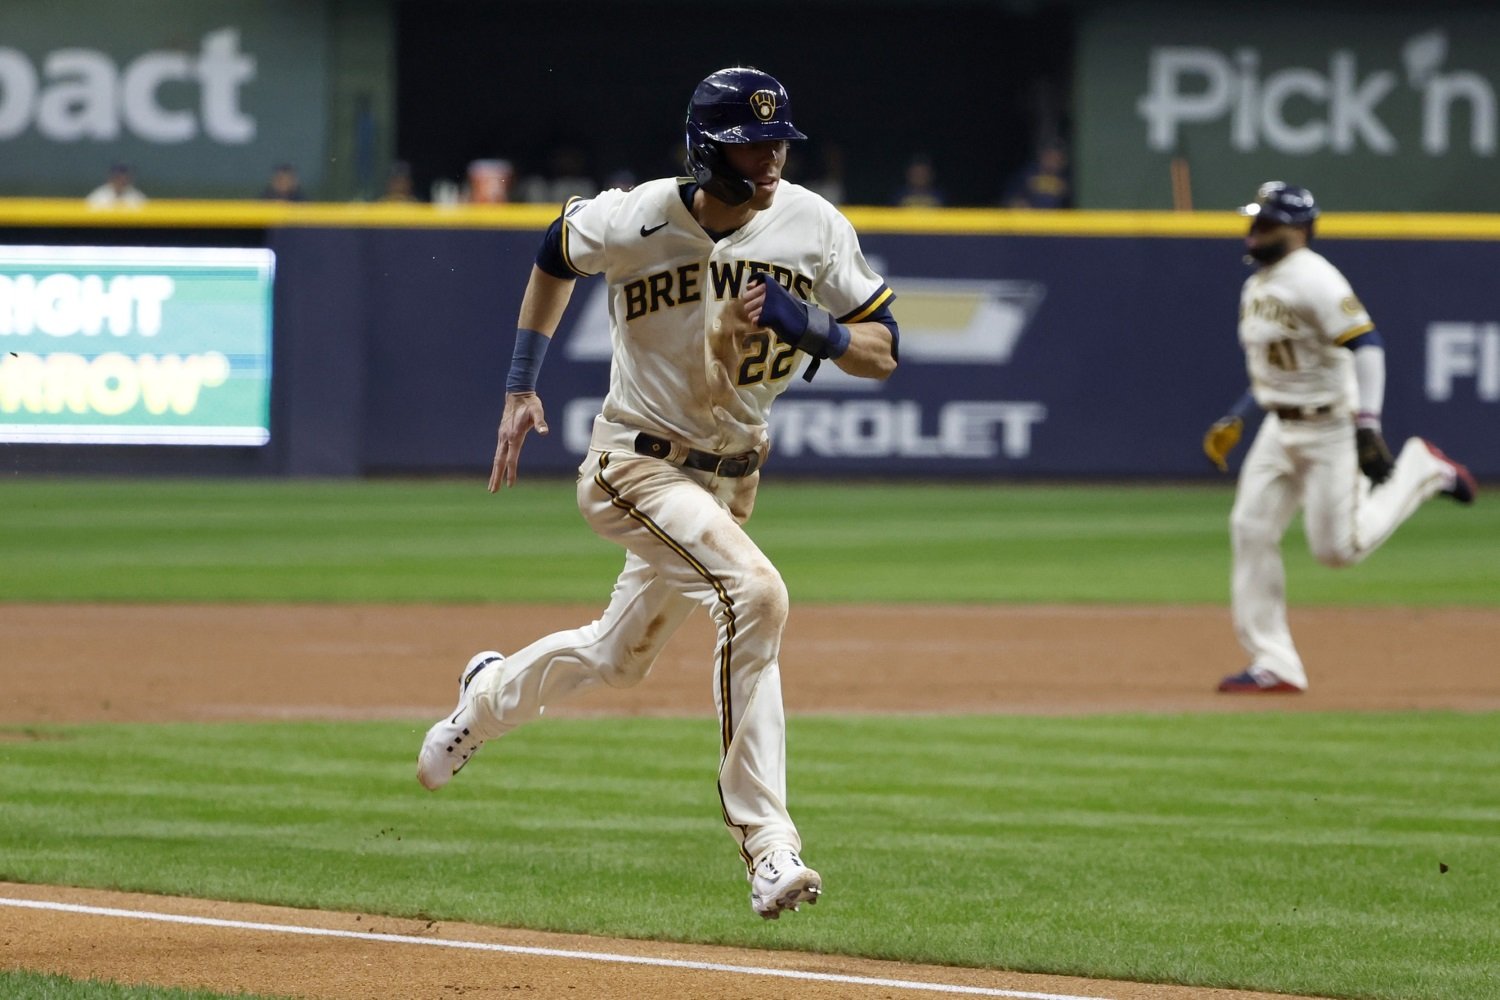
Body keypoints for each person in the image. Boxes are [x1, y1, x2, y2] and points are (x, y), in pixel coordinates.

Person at [417, 66, 899, 919]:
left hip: (731, 479)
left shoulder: (812, 224)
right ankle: (768, 845)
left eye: (780, 142)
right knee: (755, 595)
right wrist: (519, 383)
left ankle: (483, 700)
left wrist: (810, 326)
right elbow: (553, 250)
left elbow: (884, 348)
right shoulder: (635, 215)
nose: (774, 161)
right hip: (632, 465)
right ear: (709, 154)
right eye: (755, 146)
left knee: (617, 658)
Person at [1203, 181, 1477, 694]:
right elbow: (1277, 364)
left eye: (1266, 224)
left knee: (1337, 550)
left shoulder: (1315, 279)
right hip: (1278, 426)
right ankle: (1275, 662)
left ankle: (1422, 468)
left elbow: (1367, 344)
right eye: (1254, 222)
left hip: (1330, 426)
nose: (1253, 232)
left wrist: (1367, 424)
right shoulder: (1260, 282)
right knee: (1249, 528)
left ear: (1299, 230)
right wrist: (1237, 417)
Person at [1002, 140, 1070, 209]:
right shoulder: (1027, 174)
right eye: (1050, 156)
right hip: (1032, 217)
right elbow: (1010, 198)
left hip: (1057, 218)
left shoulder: (1066, 178)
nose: (1053, 161)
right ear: (1042, 156)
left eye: (1057, 158)